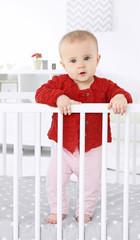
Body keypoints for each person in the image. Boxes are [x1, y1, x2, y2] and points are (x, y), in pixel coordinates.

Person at [35, 30, 133, 224]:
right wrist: (58, 97)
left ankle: (84, 211)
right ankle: (58, 209)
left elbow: (122, 93)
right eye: (73, 61)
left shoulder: (105, 85)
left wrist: (119, 97)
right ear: (63, 65)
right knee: (54, 181)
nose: (81, 65)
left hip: (91, 148)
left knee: (90, 185)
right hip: (64, 147)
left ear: (97, 59)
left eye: (87, 58)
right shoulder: (59, 83)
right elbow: (40, 93)